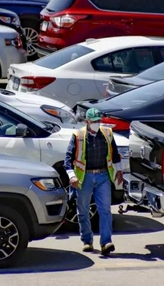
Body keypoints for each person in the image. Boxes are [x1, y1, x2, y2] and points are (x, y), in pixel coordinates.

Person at [64, 108, 123, 255]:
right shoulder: (78, 136)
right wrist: (72, 176)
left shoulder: (107, 134)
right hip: (85, 178)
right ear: (87, 121)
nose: (97, 124)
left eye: (99, 121)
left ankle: (106, 242)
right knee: (83, 210)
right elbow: (68, 159)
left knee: (105, 210)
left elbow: (115, 155)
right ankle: (87, 240)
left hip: (103, 175)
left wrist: (119, 171)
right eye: (94, 121)